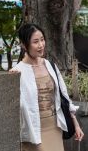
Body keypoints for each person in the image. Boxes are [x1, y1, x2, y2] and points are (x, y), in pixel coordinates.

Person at [10, 23, 84, 151]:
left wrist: (76, 125)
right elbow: (13, 107)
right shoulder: (16, 72)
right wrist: (10, 83)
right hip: (33, 131)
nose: (41, 45)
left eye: (42, 40)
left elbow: (64, 97)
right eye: (35, 42)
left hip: (54, 127)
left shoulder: (50, 65)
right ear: (23, 44)